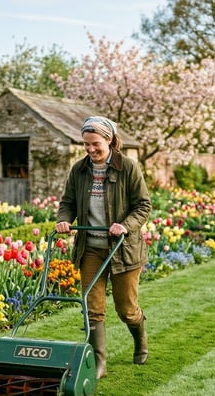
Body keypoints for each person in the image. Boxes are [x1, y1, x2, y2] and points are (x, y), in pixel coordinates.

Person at [55, 116, 152, 379]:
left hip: (123, 250)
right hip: (91, 249)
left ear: (109, 140)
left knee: (126, 309)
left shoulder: (128, 168)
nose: (90, 149)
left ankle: (140, 339)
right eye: (85, 144)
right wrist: (64, 219)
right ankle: (99, 364)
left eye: (95, 143)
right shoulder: (79, 170)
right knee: (92, 307)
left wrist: (125, 225)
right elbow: (68, 202)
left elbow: (143, 206)